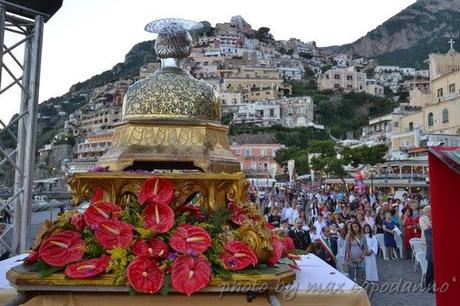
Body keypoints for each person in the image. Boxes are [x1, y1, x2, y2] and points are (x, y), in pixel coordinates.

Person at [425, 220, 434, 293]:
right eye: (431, 223)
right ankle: (428, 286)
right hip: (431, 253)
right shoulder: (427, 231)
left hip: (435, 254)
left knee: (434, 272)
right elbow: (431, 241)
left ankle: (432, 285)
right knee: (430, 271)